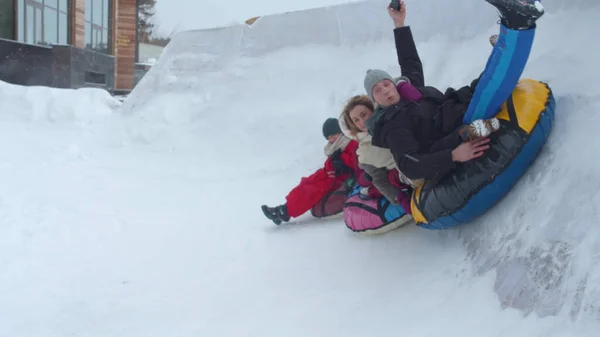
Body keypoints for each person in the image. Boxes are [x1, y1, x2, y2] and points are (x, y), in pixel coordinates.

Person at [363, 0, 544, 182]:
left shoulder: (410, 91)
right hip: (459, 131)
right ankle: (519, 27)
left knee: (484, 80)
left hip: (458, 106)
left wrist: (398, 23)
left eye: (386, 83)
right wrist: (453, 156)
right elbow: (409, 164)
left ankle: (508, 33)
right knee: (492, 85)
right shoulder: (392, 126)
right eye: (377, 90)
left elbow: (409, 59)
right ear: (375, 101)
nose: (385, 90)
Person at [261, 118, 369, 225]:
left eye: (333, 135)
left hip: (345, 178)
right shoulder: (334, 147)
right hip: (332, 174)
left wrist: (342, 162)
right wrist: (333, 166)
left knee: (313, 189)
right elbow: (329, 165)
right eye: (329, 138)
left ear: (341, 132)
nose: (331, 140)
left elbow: (358, 162)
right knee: (307, 182)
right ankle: (284, 207)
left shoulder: (351, 143)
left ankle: (285, 212)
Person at [339, 95, 413, 215]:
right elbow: (380, 180)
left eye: (364, 114)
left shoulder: (393, 121)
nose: (362, 123)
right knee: (380, 179)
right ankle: (368, 192)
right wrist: (400, 198)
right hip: (401, 178)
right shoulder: (364, 153)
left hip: (418, 163)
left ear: (372, 110)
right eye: (356, 120)